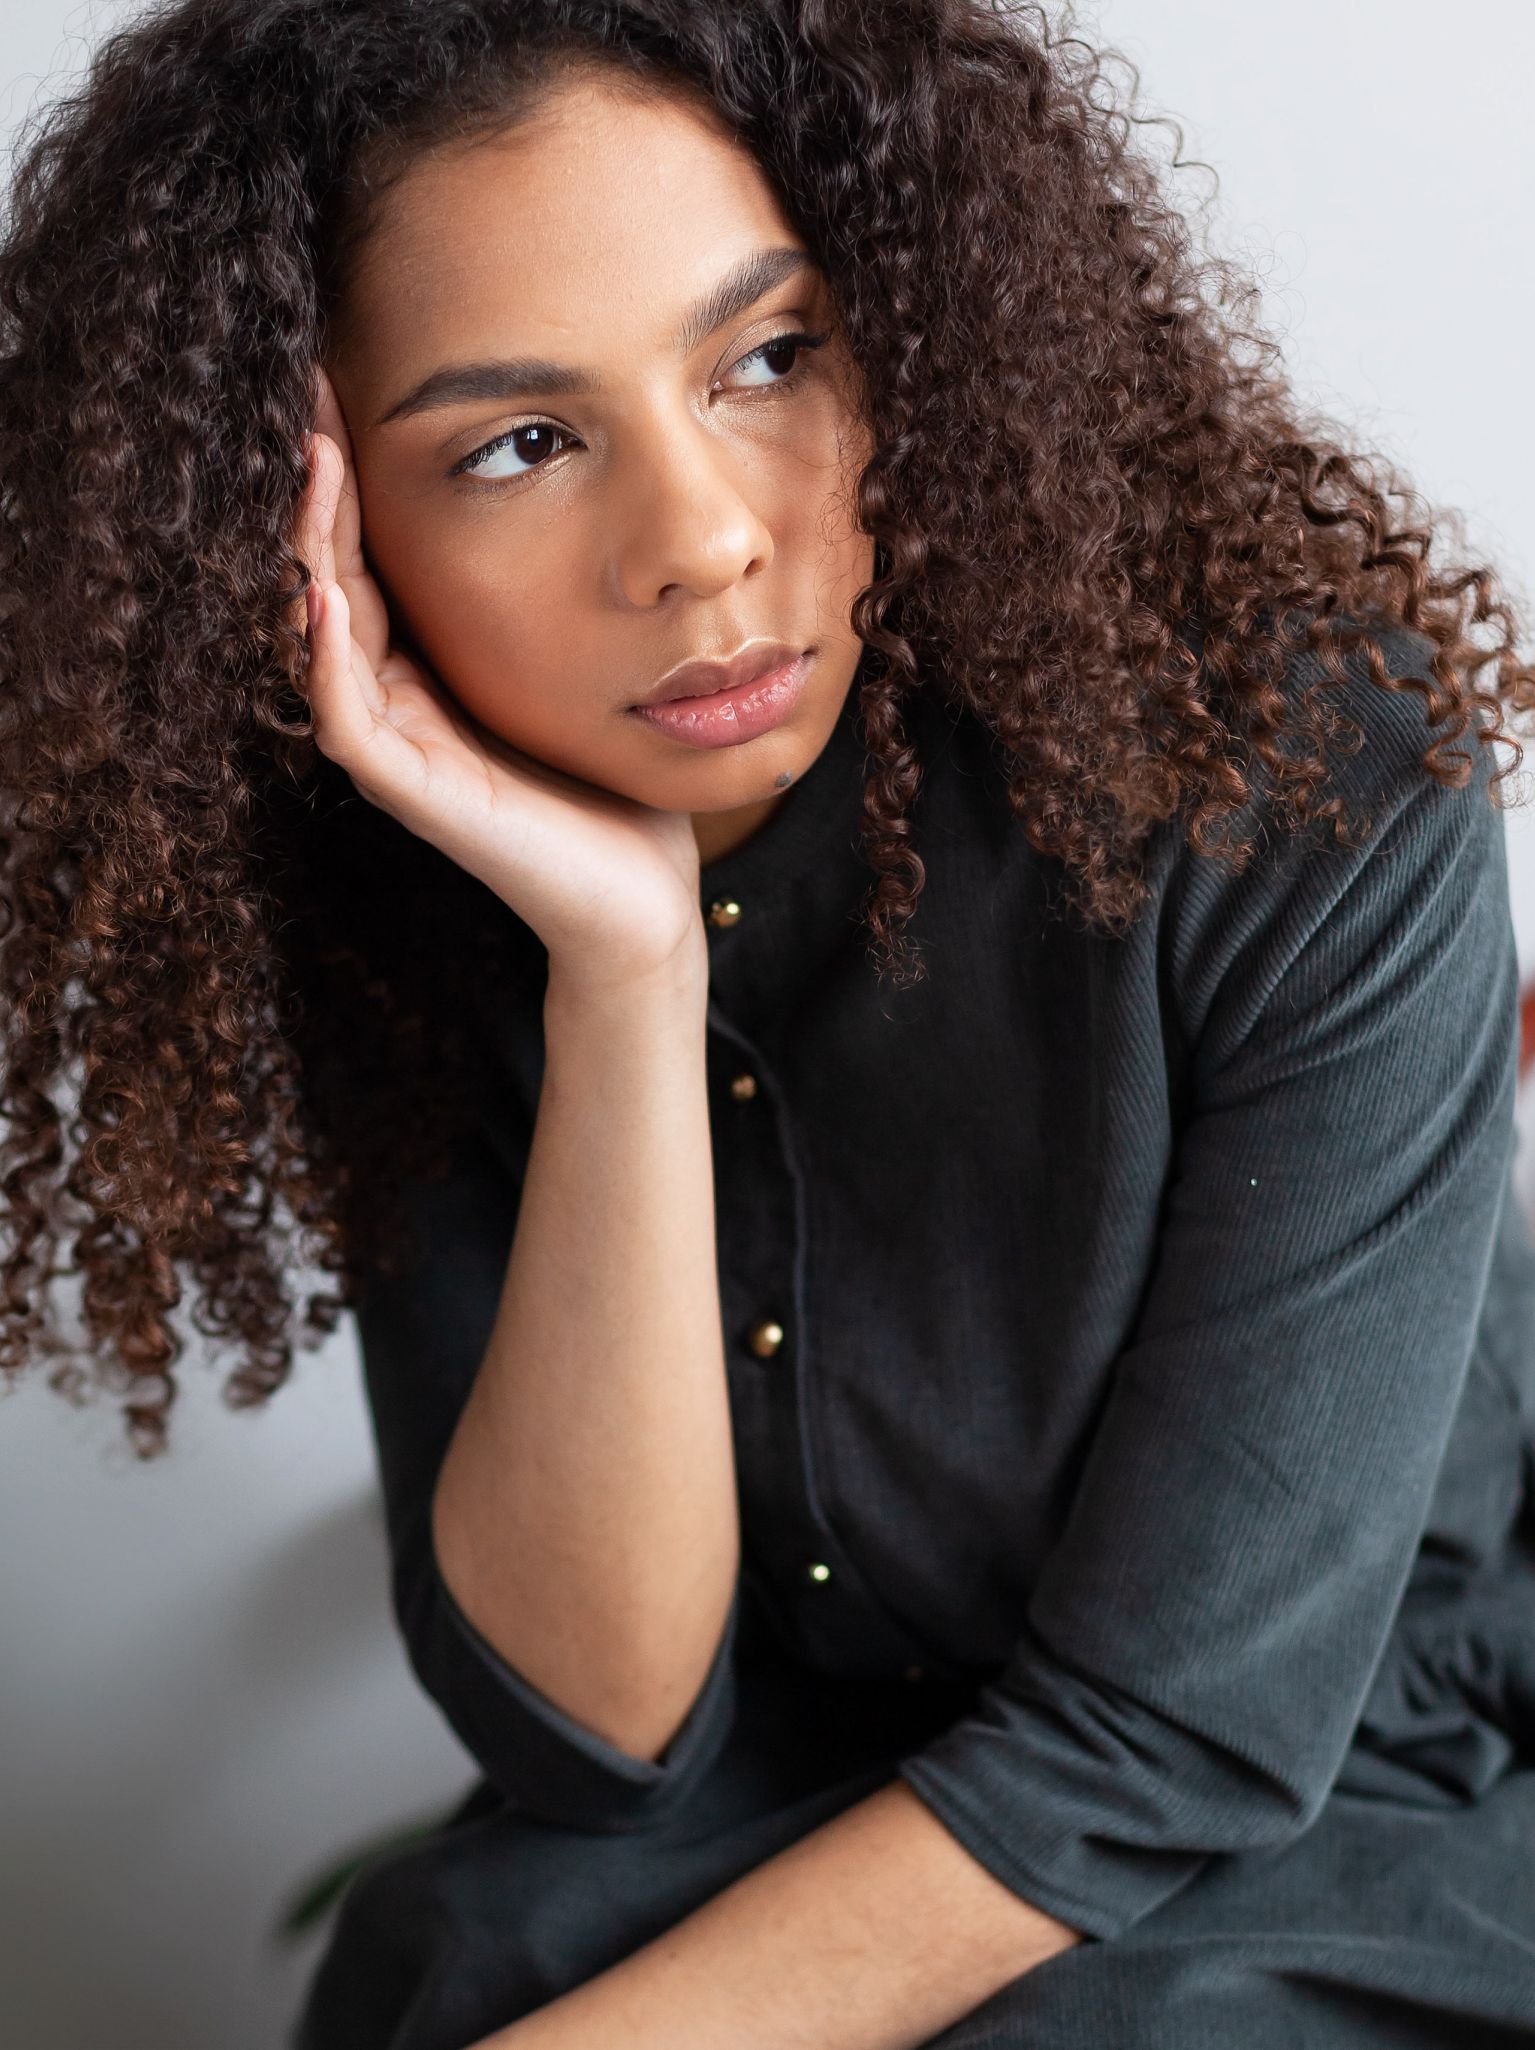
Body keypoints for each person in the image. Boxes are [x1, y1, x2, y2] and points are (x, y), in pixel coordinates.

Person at [2, 1, 1534, 2045]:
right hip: (804, 1777)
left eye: (770, 355)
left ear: (915, 314)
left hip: (1330, 1782)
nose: (702, 539)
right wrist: (626, 977)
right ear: (318, 521)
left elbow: (1176, 1744)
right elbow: (597, 1730)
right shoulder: (402, 871)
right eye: (520, 443)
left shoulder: (1300, 772)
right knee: (437, 1966)